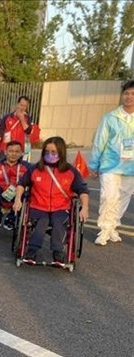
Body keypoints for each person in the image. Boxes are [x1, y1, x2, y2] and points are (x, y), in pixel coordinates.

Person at [13, 136, 89, 265]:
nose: (49, 155)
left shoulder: (71, 171)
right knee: (42, 222)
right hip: (38, 205)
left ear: (61, 152)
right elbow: (21, 184)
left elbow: (82, 191)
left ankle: (58, 253)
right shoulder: (35, 169)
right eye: (47, 152)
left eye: (53, 152)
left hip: (60, 207)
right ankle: (32, 250)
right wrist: (18, 200)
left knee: (59, 222)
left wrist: (85, 207)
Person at [88, 80, 134, 246]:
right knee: (108, 197)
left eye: (133, 94)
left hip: (131, 168)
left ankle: (113, 226)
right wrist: (94, 165)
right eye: (127, 93)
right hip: (110, 165)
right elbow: (99, 141)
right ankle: (104, 229)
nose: (129, 97)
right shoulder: (110, 117)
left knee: (123, 198)